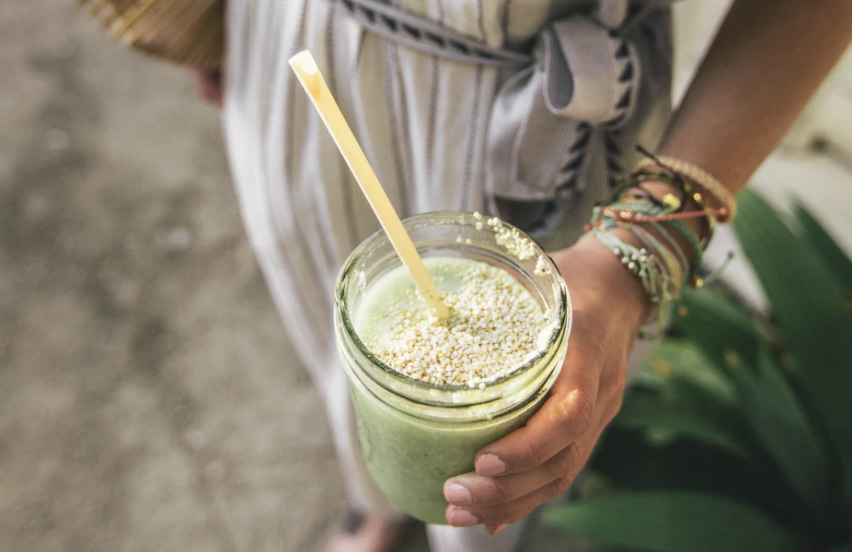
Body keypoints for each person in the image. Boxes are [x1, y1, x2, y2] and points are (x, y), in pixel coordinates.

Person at [176, 0, 852, 550]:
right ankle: (373, 502)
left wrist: (640, 246)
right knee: (331, 334)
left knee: (515, 456)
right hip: (302, 47)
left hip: (550, 110)